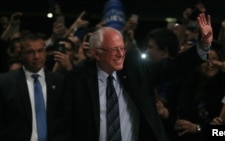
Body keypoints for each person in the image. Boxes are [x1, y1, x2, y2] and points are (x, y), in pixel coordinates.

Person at [56, 13, 213, 141]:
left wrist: (203, 46)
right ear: (97, 53)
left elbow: (173, 67)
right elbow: (65, 126)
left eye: (122, 49)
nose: (120, 54)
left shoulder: (135, 67)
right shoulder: (76, 79)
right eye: (113, 50)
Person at [0, 32, 64, 140]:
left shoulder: (60, 82)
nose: (37, 56)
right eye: (30, 52)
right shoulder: (5, 83)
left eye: (40, 51)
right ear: (20, 54)